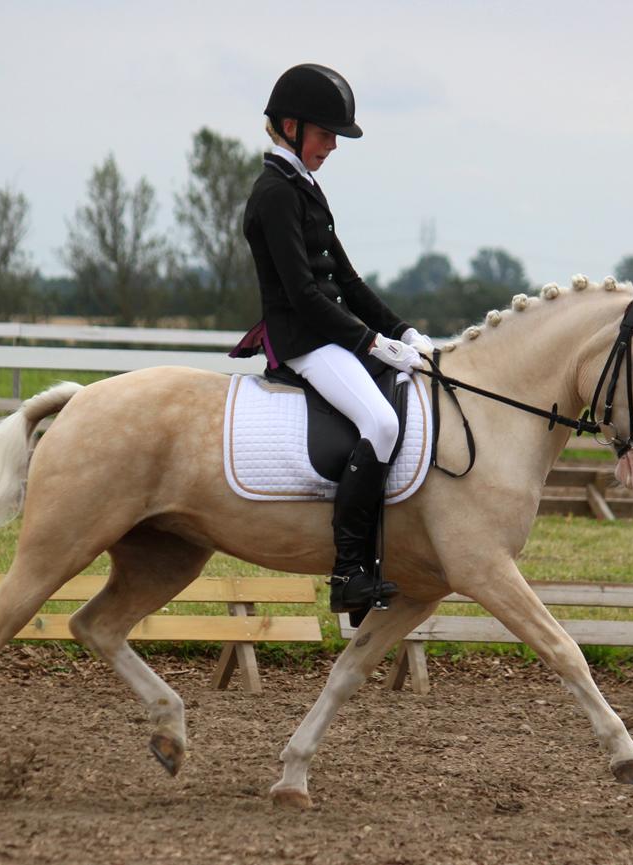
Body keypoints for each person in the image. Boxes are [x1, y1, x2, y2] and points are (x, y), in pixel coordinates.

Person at [232, 63, 435, 613]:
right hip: (303, 340)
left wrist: (404, 331)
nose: (332, 147)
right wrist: (372, 344)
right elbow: (303, 296)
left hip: (330, 334)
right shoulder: (275, 193)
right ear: (292, 126)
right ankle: (349, 573)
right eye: (326, 134)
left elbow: (346, 280)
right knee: (382, 421)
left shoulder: (306, 188)